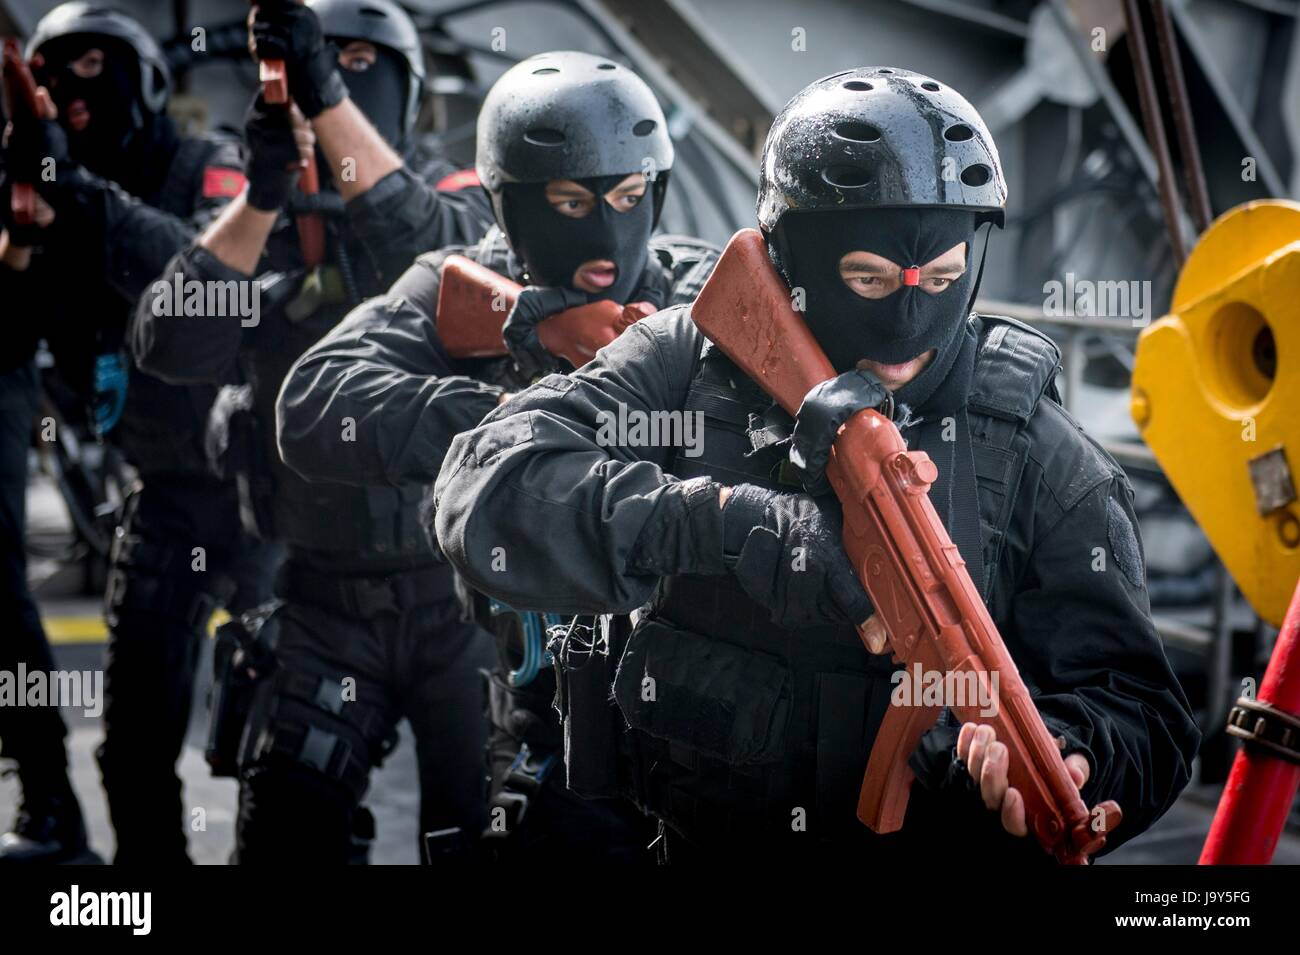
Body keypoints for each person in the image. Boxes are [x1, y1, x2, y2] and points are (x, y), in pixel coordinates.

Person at [431, 67, 1202, 862]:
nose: (906, 322)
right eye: (865, 278)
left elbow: (1142, 707)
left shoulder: (1035, 452)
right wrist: (727, 525)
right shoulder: (690, 366)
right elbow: (483, 485)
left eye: (940, 281)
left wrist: (1078, 749)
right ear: (788, 256)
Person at [276, 51, 716, 860]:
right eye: (570, 201)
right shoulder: (467, 286)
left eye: (626, 198)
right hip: (537, 698)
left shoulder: (700, 295)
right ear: (512, 206)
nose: (605, 228)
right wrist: (509, 412)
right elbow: (313, 401)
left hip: (695, 709)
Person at [131, 0, 495, 864]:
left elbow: (437, 251)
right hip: (323, 603)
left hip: (463, 604)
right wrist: (262, 198)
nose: (333, 91)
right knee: (287, 834)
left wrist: (327, 102)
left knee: (488, 831)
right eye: (322, 70)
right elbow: (167, 340)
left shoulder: (464, 209)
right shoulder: (272, 228)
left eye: (357, 68)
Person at [0, 2, 276, 864]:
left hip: (263, 493)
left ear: (146, 81)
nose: (70, 91)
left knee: (287, 740)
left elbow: (214, 284)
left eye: (93, 68)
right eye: (50, 76)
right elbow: (14, 350)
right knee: (131, 751)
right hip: (159, 499)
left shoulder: (209, 166)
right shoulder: (54, 209)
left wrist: (74, 194)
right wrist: (21, 236)